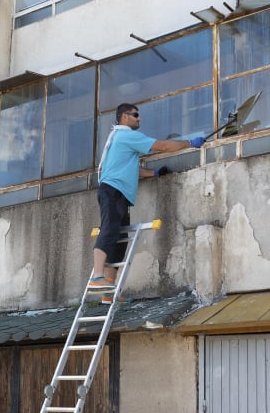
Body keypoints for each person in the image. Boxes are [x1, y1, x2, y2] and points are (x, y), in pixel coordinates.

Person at [88, 103, 205, 302]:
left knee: (118, 242)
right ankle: (97, 278)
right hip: (113, 191)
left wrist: (154, 173)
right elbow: (164, 146)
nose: (139, 118)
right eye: (135, 115)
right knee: (108, 230)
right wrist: (190, 143)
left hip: (120, 194)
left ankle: (109, 291)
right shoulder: (126, 135)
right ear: (124, 117)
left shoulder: (120, 140)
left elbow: (131, 169)